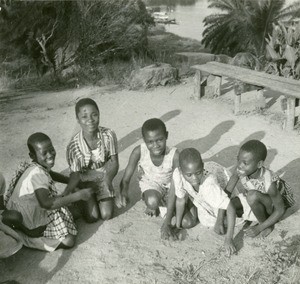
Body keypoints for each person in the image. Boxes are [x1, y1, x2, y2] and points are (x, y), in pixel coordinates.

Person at [4, 133, 96, 252]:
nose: (50, 155)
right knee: (69, 240)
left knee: (69, 211)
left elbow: (50, 174)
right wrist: (78, 195)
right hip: (32, 224)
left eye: (51, 150)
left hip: (26, 212)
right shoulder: (38, 175)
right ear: (32, 155)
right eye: (44, 153)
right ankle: (25, 237)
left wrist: (72, 182)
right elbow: (47, 204)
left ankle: (23, 232)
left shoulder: (36, 165)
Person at [161, 148, 237, 256]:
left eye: (198, 172)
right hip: (201, 194)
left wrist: (229, 239)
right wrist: (177, 226)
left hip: (217, 188)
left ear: (202, 166)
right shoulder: (178, 173)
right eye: (189, 175)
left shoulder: (209, 185)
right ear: (181, 171)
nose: (195, 178)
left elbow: (230, 207)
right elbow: (180, 200)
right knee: (187, 222)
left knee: (218, 221)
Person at [225, 140, 295, 238]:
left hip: (274, 208)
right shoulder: (241, 170)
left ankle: (267, 225)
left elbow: (280, 210)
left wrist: (259, 228)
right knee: (230, 205)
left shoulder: (269, 184)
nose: (239, 165)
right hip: (259, 197)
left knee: (251, 196)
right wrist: (220, 214)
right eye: (238, 160)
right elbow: (227, 192)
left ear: (259, 165)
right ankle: (256, 211)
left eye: (245, 163)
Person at [67, 98, 119, 223]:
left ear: (99, 114)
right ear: (78, 120)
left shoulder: (109, 134)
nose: (90, 120)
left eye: (94, 115)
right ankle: (81, 198)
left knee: (107, 215)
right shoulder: (73, 146)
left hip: (103, 176)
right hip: (84, 180)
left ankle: (94, 199)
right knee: (92, 217)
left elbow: (114, 162)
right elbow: (75, 175)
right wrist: (85, 186)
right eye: (84, 117)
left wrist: (108, 179)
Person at [116, 118, 179, 217]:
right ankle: (154, 202)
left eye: (160, 140)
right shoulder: (139, 151)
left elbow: (176, 182)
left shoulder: (174, 155)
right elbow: (126, 178)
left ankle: (163, 203)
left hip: (170, 185)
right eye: (150, 142)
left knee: (185, 217)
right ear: (144, 140)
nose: (155, 145)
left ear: (166, 135)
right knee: (152, 201)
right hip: (150, 183)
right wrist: (123, 192)